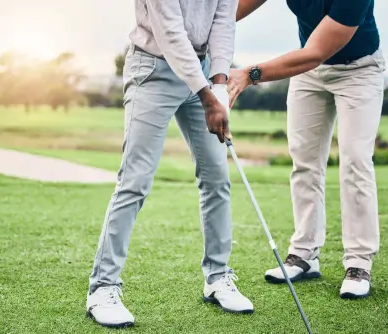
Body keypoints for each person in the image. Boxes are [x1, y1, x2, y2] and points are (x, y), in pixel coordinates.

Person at [86, 0, 254, 328]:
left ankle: (218, 277)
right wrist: (209, 97)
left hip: (203, 73)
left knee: (217, 177)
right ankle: (102, 288)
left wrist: (218, 87)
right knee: (135, 180)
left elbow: (223, 23)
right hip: (154, 69)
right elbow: (171, 34)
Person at [228, 0, 385, 299]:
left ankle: (358, 263)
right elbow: (232, 8)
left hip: (359, 69)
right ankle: (304, 254)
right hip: (310, 72)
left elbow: (315, 53)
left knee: (355, 162)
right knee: (304, 160)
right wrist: (199, 30)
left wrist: (250, 73)